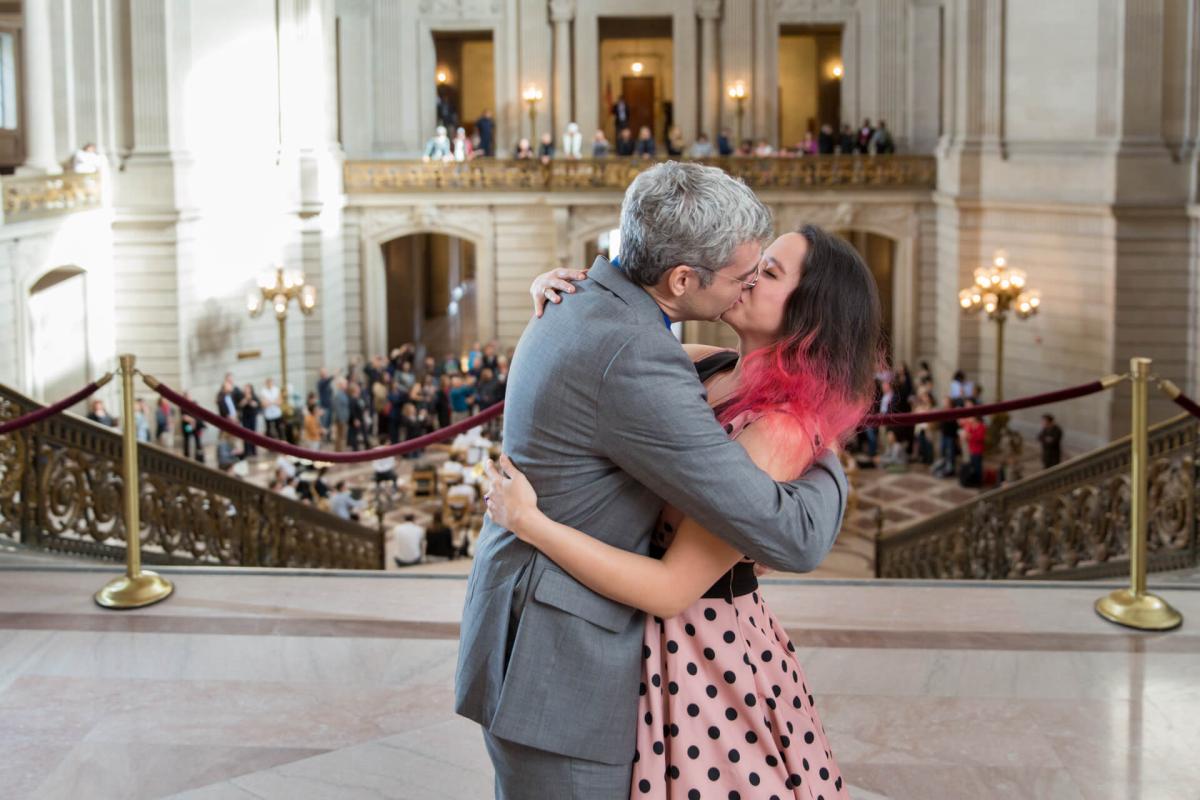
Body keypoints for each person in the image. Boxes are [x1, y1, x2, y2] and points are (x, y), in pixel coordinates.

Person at [456, 162, 853, 798]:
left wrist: (818, 434)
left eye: (767, 271)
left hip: (674, 658)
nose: (748, 280)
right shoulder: (659, 358)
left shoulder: (598, 309)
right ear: (681, 278)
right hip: (567, 662)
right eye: (747, 270)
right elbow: (794, 538)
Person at [238, 383, 260, 457]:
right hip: (245, 417)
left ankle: (253, 451)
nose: (246, 390)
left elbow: (256, 404)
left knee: (253, 433)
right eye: (245, 388)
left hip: (252, 417)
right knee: (245, 434)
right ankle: (247, 451)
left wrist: (250, 400)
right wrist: (246, 399)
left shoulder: (254, 396)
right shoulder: (242, 396)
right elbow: (240, 405)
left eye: (248, 388)